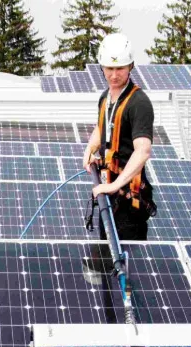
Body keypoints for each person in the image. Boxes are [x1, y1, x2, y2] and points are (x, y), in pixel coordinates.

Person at [82, 33, 156, 241]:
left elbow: (143, 151)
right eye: (109, 68)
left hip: (128, 201)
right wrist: (90, 149)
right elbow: (102, 127)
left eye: (120, 68)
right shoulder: (105, 98)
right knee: (106, 254)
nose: (114, 75)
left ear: (130, 66)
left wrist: (114, 186)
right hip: (108, 194)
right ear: (102, 67)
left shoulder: (139, 103)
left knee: (125, 258)